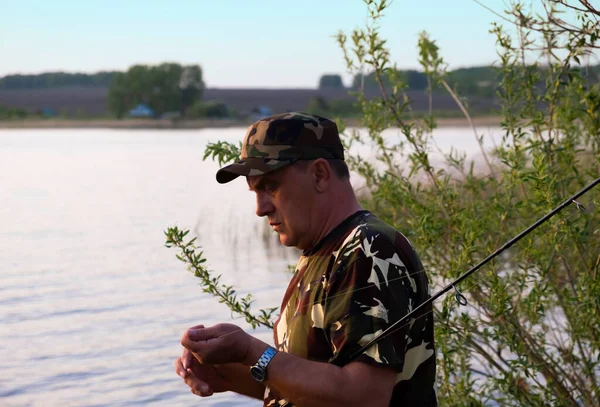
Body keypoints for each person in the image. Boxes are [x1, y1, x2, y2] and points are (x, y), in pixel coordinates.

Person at [174, 112, 437, 406]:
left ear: (319, 175)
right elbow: (307, 385)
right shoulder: (323, 251)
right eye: (254, 191)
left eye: (270, 187)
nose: (259, 209)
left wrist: (253, 352)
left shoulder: (368, 249)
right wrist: (224, 368)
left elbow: (363, 396)